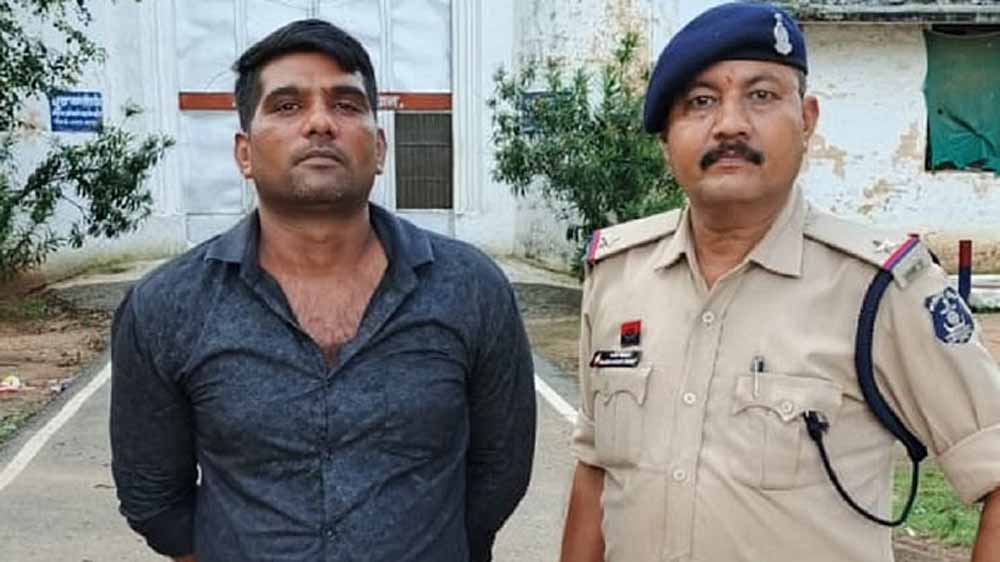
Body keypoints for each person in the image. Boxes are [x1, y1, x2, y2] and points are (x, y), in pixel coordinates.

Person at [559, 3, 1000, 562]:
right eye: (700, 102)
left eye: (762, 95)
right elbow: (596, 472)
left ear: (807, 119)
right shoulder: (617, 275)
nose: (730, 124)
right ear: (667, 137)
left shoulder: (880, 290)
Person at [110, 19, 536, 562]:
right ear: (244, 153)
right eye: (287, 106)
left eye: (346, 105)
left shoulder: (470, 289)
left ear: (378, 148)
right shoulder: (168, 305)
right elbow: (153, 497)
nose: (319, 123)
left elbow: (500, 471)